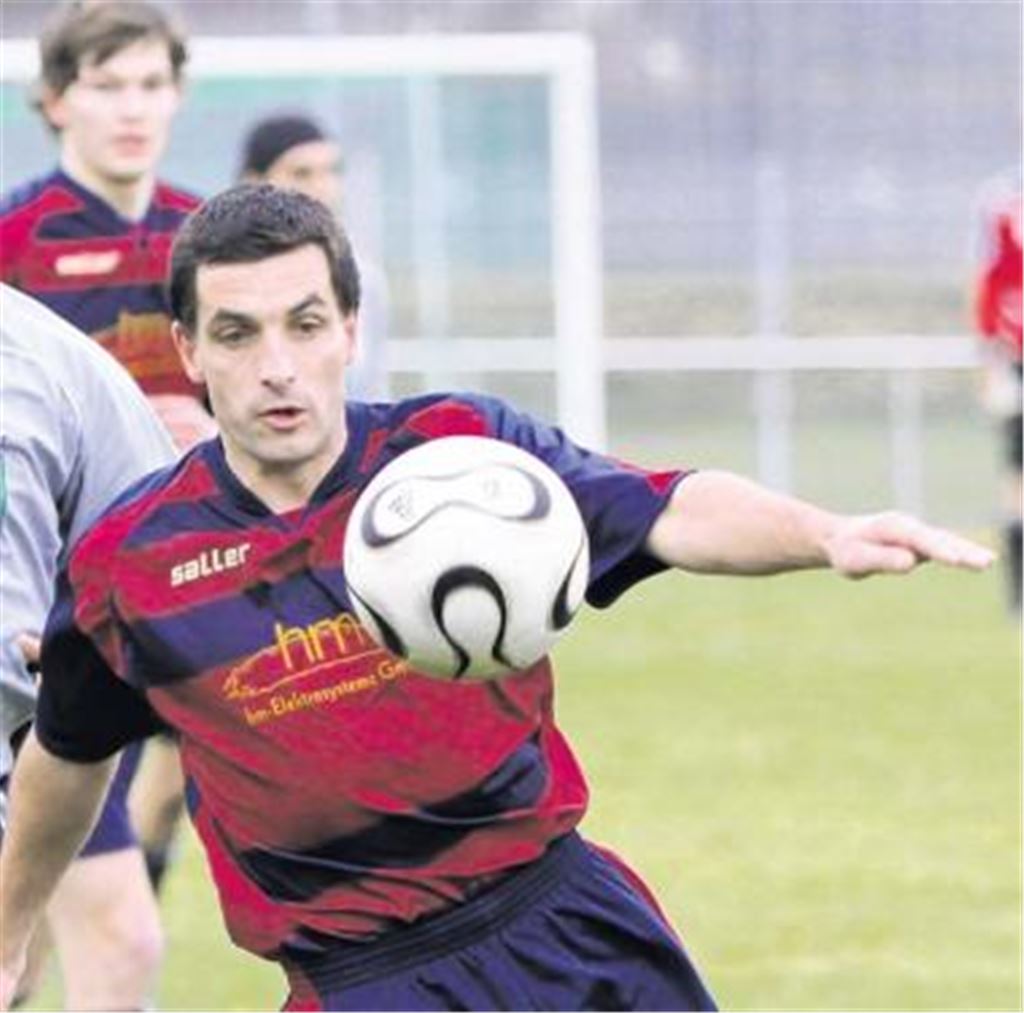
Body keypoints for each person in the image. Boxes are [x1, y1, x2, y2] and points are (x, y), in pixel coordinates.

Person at [0, 185, 995, 1013]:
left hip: (567, 928)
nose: (276, 366)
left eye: (305, 323)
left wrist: (822, 532)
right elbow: (66, 754)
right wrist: (10, 925)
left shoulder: (457, 456)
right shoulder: (129, 558)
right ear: (186, 348)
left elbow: (668, 508)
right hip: (359, 981)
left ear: (350, 327)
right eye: (237, 332)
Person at [0, 0, 208, 1002]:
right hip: (49, 633)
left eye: (153, 84)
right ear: (54, 101)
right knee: (81, 930)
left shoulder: (209, 239)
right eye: (108, 84)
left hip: (187, 601)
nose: (134, 108)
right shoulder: (15, 241)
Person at [0, 284, 177, 1008]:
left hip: (54, 718)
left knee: (115, 940)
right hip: (49, 715)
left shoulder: (27, 372)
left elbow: (165, 550)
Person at [239, 111, 390, 401]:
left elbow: (372, 387)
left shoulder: (365, 279)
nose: (323, 187)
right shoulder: (222, 278)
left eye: (332, 171)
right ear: (254, 182)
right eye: (302, 173)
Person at [971, 170, 1022, 614]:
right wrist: (991, 368)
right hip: (1016, 365)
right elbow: (992, 286)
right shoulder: (1002, 205)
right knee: (1016, 486)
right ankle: (1018, 595)